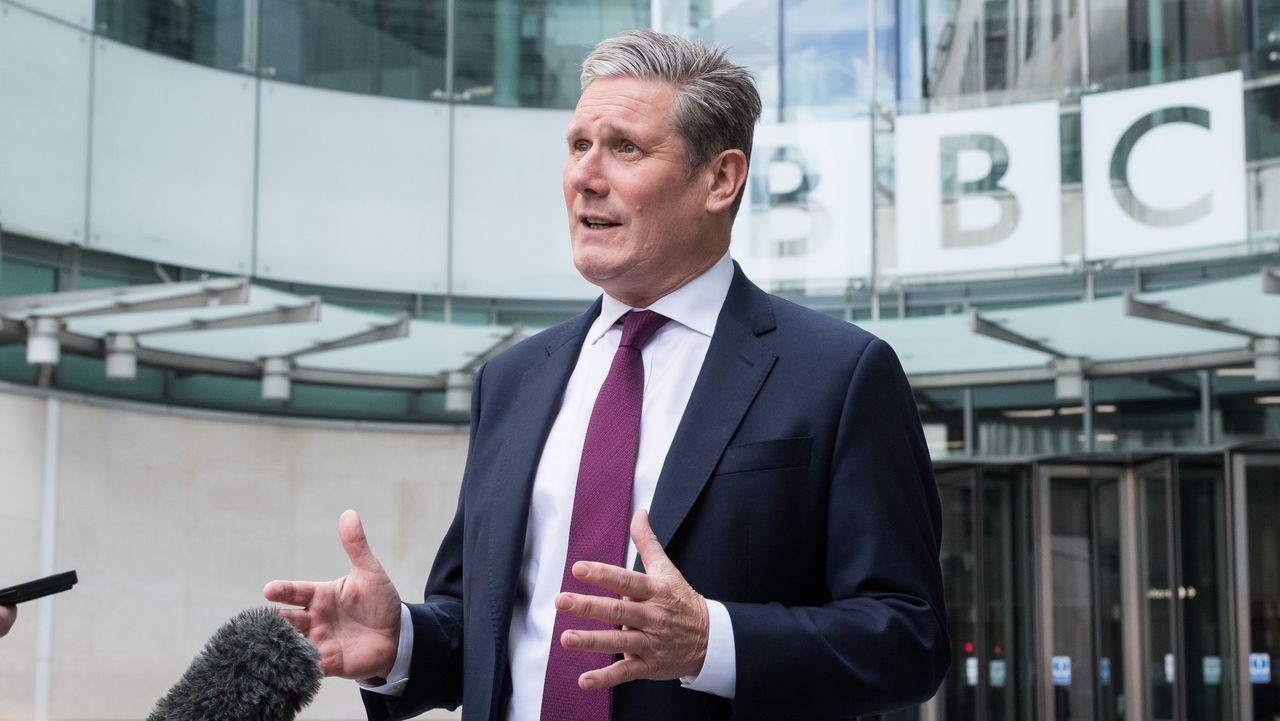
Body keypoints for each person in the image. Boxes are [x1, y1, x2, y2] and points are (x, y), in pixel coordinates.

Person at [265, 29, 949, 721]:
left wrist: (714, 641)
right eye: (577, 145)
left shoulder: (839, 373)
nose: (585, 176)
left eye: (625, 147)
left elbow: (908, 638)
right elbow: (490, 623)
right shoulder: (511, 381)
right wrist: (402, 642)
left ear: (720, 179)